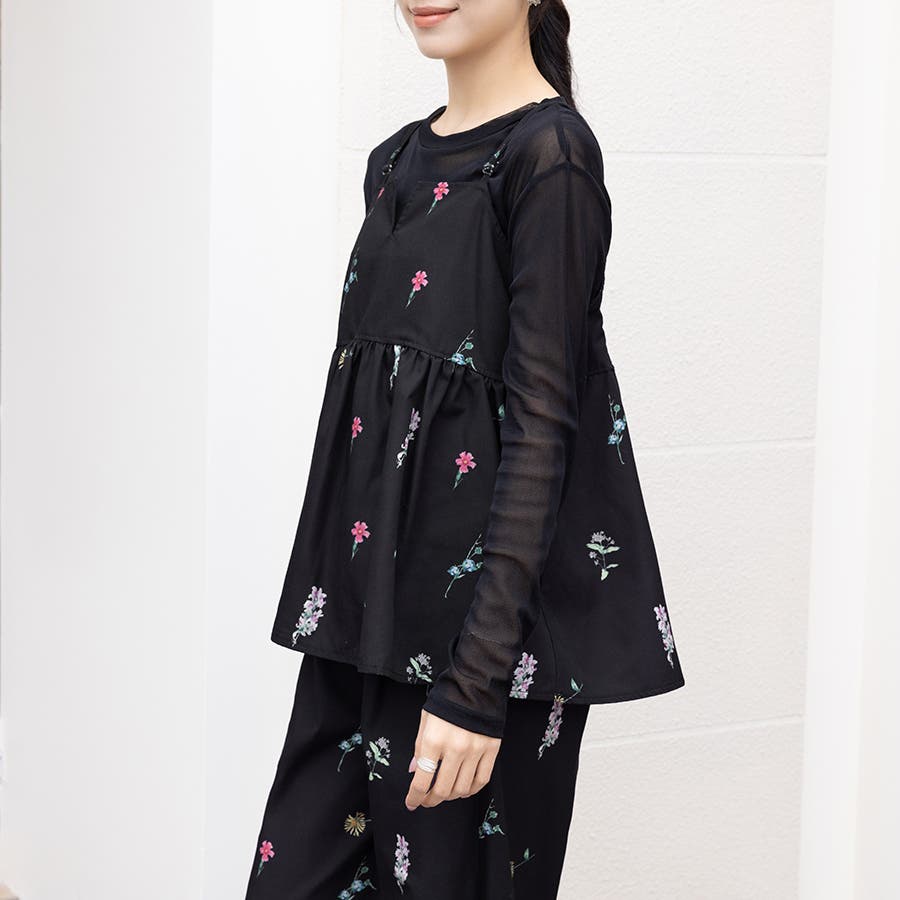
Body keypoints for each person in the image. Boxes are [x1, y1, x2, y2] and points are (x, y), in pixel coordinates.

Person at [245, 1, 685, 897]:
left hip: (479, 658)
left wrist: (476, 685)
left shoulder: (550, 158)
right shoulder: (393, 163)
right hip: (361, 634)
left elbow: (543, 423)